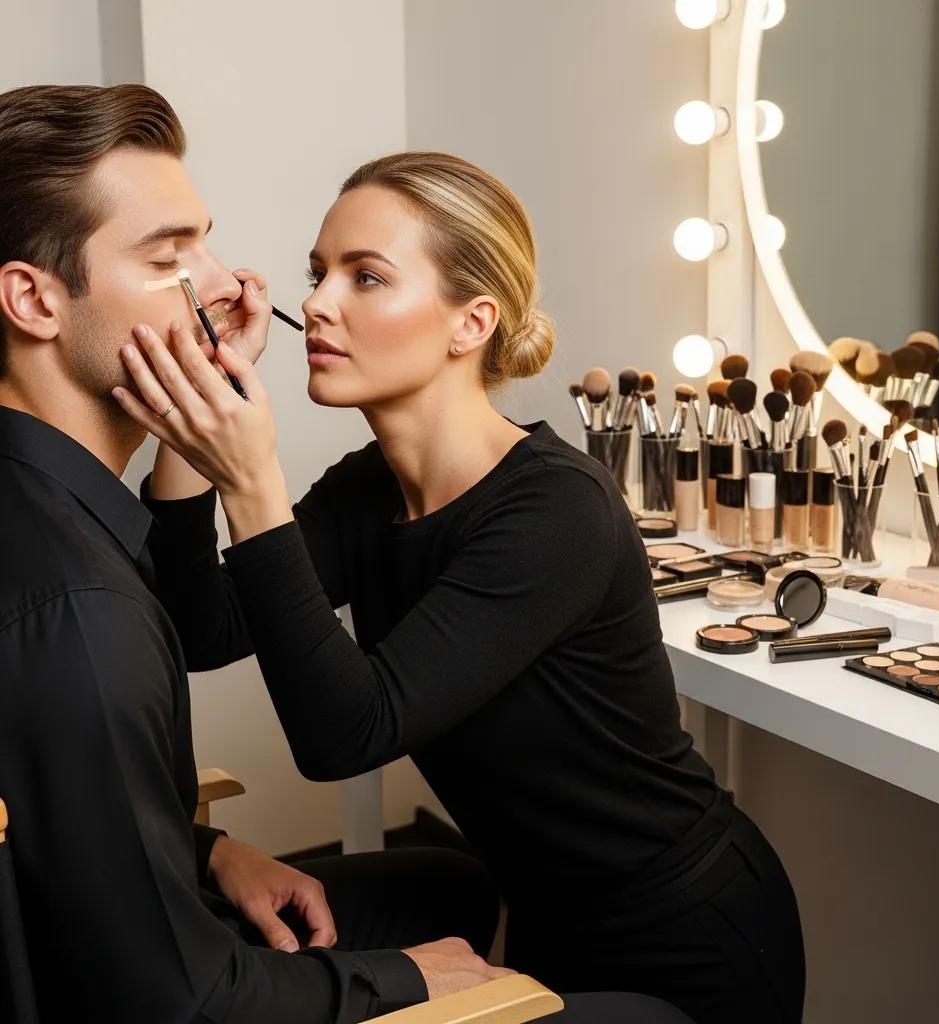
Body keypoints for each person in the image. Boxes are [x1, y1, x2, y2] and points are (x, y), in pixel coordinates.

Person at [120, 143, 806, 1023]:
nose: (316, 303)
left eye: (366, 278)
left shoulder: (558, 512)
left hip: (690, 942)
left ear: (470, 323)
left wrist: (252, 484)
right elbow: (202, 628)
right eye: (318, 272)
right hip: (547, 923)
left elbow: (346, 734)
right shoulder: (370, 491)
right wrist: (194, 414)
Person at [0, 82, 513, 1024]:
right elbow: (175, 999)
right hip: (146, 988)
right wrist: (402, 983)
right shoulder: (80, 610)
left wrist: (201, 851)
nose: (228, 283)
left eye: (209, 240)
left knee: (445, 888)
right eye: (170, 257)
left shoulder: (53, 527)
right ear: (32, 299)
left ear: (471, 321)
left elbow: (56, 803)